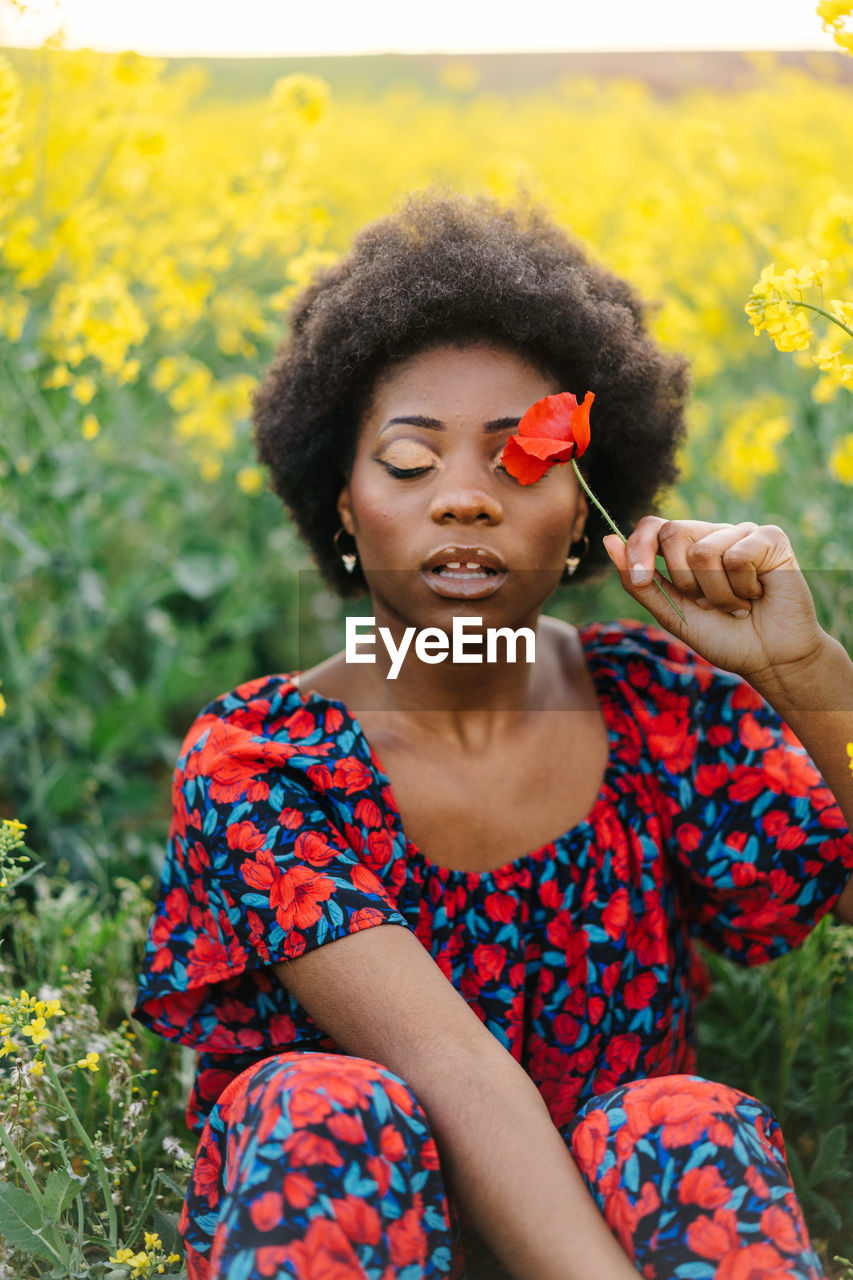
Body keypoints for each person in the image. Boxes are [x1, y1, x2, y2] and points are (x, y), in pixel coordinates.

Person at [132, 192, 853, 1280]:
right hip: (376, 1238)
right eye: (411, 463)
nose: (464, 499)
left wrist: (804, 673)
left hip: (620, 1223)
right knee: (322, 1099)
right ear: (341, 501)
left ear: (583, 508)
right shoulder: (264, 758)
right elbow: (447, 1062)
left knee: (679, 1121)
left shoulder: (659, 710)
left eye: (519, 461)